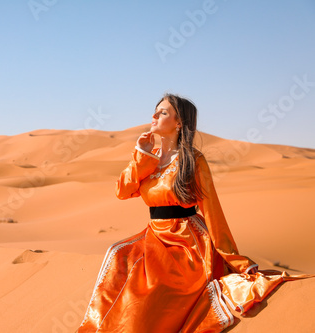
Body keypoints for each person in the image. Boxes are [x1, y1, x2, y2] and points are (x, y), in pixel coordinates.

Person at [78, 94, 312, 332]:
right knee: (117, 256)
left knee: (156, 288)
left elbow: (213, 210)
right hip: (154, 236)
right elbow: (122, 191)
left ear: (179, 122)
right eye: (155, 111)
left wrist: (236, 259)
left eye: (163, 112)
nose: (154, 116)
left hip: (187, 242)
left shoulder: (193, 160)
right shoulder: (149, 157)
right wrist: (141, 155)